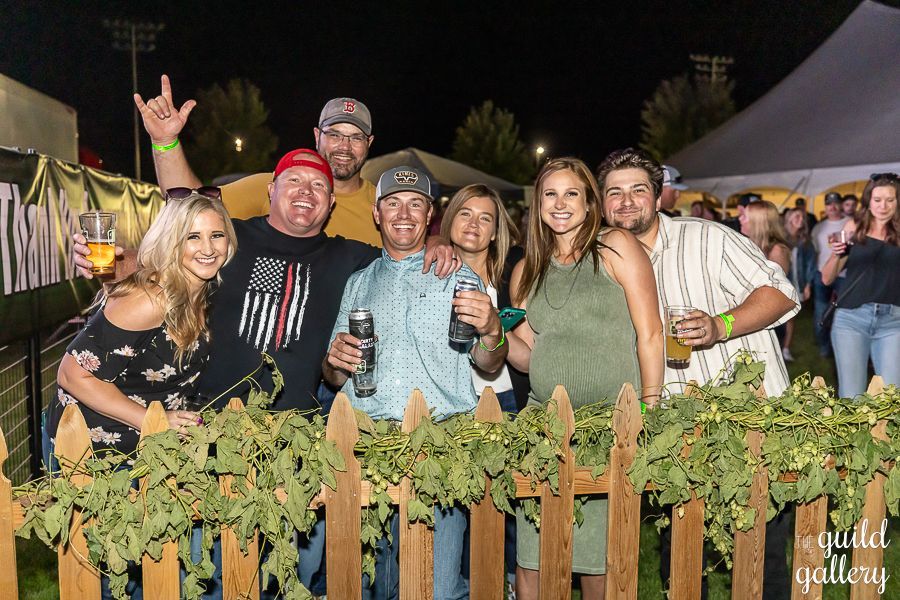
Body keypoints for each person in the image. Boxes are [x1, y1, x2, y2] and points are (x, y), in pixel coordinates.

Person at [596, 148, 799, 600]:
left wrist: (719, 325)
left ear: (658, 196)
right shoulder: (601, 260)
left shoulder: (709, 238)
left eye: (638, 190)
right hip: (673, 429)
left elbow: (781, 294)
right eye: (615, 192)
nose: (626, 202)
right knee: (682, 561)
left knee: (761, 556)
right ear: (601, 201)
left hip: (748, 420)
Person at [323, 166, 506, 600]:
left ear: (429, 217)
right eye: (393, 203)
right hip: (367, 450)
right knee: (374, 587)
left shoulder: (459, 277)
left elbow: (488, 361)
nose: (403, 213)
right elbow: (333, 376)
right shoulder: (358, 284)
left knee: (437, 587)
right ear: (377, 213)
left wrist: (493, 329)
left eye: (415, 204)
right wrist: (333, 362)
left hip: (437, 451)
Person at [48, 191, 236, 599]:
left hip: (143, 445)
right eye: (192, 237)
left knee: (153, 567)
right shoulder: (152, 298)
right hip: (97, 446)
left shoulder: (199, 290)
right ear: (171, 241)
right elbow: (73, 374)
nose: (207, 248)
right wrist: (156, 421)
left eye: (216, 235)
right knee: (110, 570)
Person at [505, 157, 664, 600]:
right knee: (533, 557)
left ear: (590, 201)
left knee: (598, 561)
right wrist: (490, 337)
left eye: (571, 193)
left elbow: (651, 333)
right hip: (545, 429)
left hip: (607, 428)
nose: (560, 204)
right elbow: (525, 355)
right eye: (550, 194)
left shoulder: (616, 247)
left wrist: (647, 411)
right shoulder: (526, 270)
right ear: (537, 205)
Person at [135, 74, 381, 246]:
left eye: (356, 138)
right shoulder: (280, 188)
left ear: (368, 144)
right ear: (317, 136)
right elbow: (189, 203)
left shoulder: (383, 208)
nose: (344, 147)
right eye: (335, 135)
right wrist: (165, 141)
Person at [822, 173, 900, 398]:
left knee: (891, 398)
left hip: (893, 322)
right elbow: (827, 278)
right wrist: (838, 254)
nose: (883, 206)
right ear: (868, 200)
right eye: (877, 200)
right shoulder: (855, 226)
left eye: (890, 200)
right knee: (852, 397)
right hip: (852, 318)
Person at [740, 201, 792, 349]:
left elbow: (777, 291)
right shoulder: (747, 244)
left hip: (768, 317)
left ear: (758, 221)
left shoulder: (777, 250)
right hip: (751, 313)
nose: (740, 219)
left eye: (745, 216)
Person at [810, 192, 849, 357]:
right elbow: (816, 252)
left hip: (845, 275)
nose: (832, 207)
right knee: (821, 311)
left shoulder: (850, 223)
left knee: (845, 313)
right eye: (828, 204)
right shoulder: (818, 228)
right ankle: (824, 347)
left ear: (840, 204)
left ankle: (843, 348)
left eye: (835, 203)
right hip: (821, 274)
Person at [782, 207, 817, 361]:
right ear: (789, 219)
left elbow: (811, 264)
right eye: (797, 217)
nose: (800, 220)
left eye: (802, 217)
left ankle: (786, 349)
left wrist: (808, 284)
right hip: (783, 283)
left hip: (798, 283)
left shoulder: (806, 241)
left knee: (791, 316)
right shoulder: (780, 239)